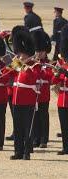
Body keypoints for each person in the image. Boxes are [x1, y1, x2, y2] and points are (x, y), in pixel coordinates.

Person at [9, 26, 40, 160]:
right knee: (17, 128)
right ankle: (18, 152)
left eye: (22, 54)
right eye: (19, 53)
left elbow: (33, 78)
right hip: (16, 100)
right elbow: (7, 74)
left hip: (28, 101)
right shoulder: (17, 64)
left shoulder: (35, 65)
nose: (19, 55)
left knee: (28, 128)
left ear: (28, 53)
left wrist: (25, 64)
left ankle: (27, 152)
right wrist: (15, 64)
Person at [31, 31, 53, 148]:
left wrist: (41, 68)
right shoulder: (33, 64)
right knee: (35, 116)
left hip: (44, 94)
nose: (39, 54)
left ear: (46, 51)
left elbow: (50, 77)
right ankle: (36, 138)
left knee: (43, 116)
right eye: (37, 51)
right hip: (34, 94)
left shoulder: (49, 64)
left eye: (41, 51)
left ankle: (44, 139)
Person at [52, 25, 68, 155]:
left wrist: (66, 72)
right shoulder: (62, 63)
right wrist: (56, 74)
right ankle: (65, 147)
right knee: (64, 125)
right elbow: (54, 82)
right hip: (62, 98)